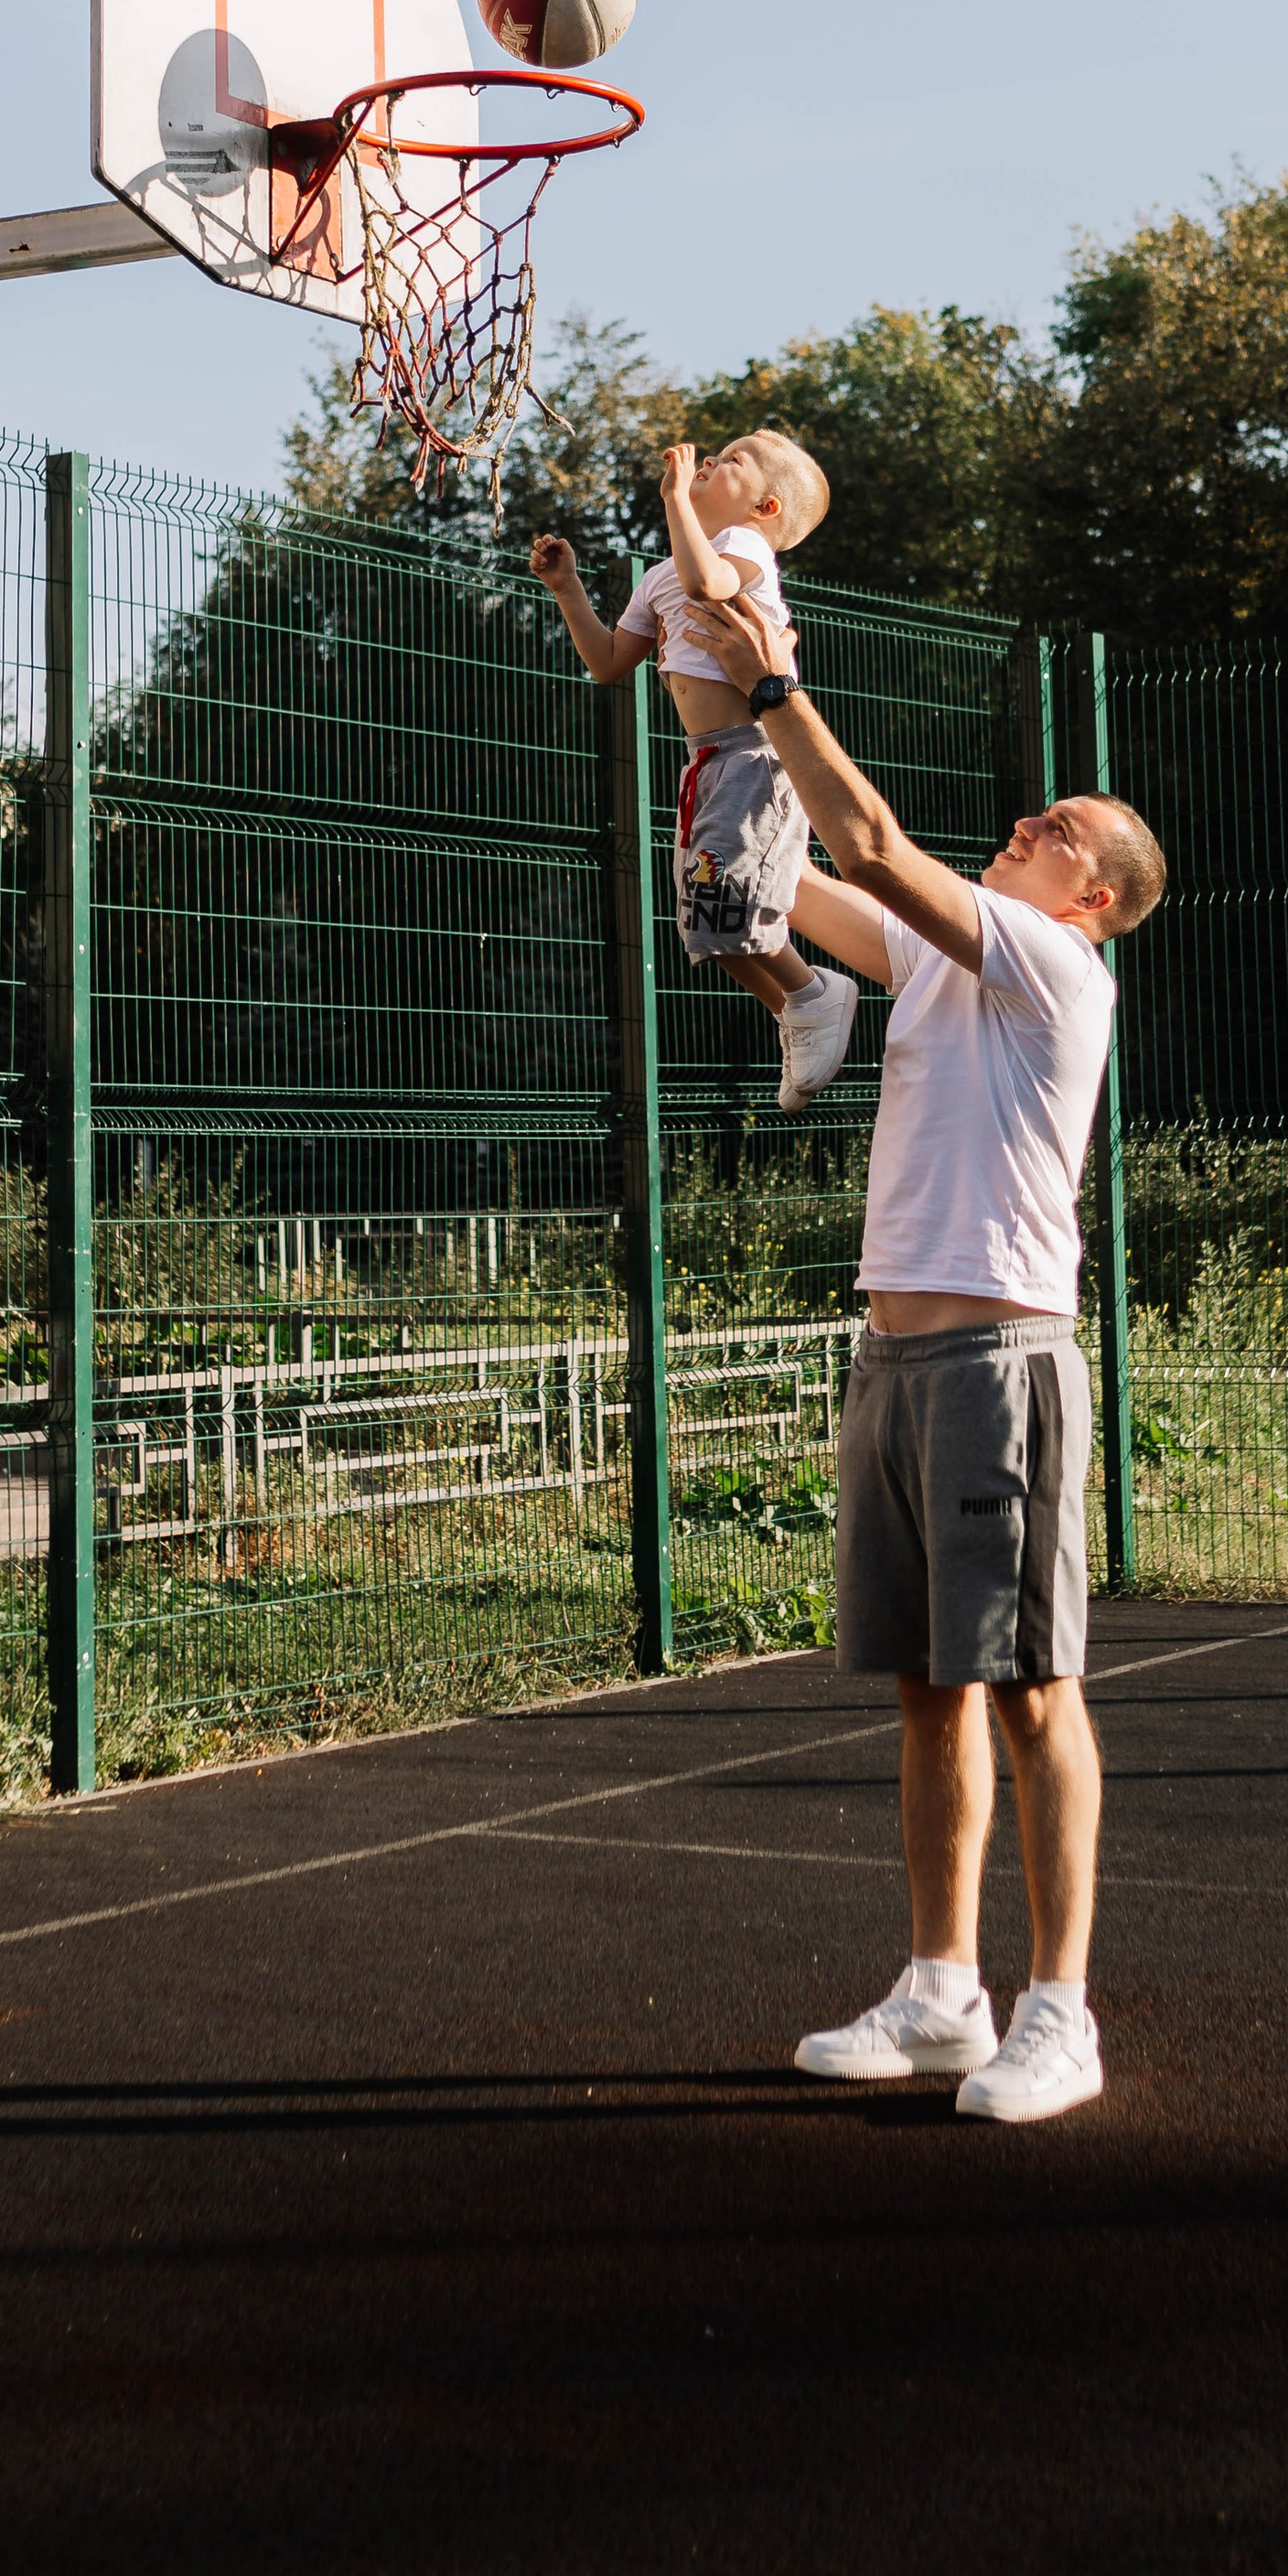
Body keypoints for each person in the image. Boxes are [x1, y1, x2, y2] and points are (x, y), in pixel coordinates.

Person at [689, 584, 1166, 2126]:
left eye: (1057, 826)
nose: (1027, 821)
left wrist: (775, 690)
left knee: (1032, 1688)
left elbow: (878, 847)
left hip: (1000, 1365)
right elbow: (798, 888)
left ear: (1093, 895)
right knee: (924, 1690)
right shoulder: (946, 962)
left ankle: (1061, 2012)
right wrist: (704, 739)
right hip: (893, 1358)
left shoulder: (1054, 970)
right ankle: (944, 1989)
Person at [530, 435, 858, 1109]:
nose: (709, 460)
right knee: (704, 920)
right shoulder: (658, 576)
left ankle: (809, 996)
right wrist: (568, 590)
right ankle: (802, 1005)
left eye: (732, 460)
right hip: (705, 763)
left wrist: (677, 496)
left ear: (765, 507)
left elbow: (710, 584)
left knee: (726, 901)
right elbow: (609, 662)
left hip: (756, 755)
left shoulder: (745, 552)